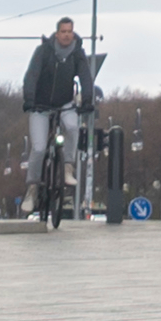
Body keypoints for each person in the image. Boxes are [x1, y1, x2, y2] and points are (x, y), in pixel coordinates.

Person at [20, 19, 97, 208]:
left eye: (70, 31)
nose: (67, 35)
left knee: (72, 127)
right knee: (38, 148)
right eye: (63, 31)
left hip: (65, 103)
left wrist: (87, 100)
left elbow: (86, 77)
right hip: (40, 105)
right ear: (57, 34)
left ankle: (68, 167)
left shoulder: (77, 53)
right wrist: (29, 99)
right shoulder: (43, 51)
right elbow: (31, 75)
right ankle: (32, 190)